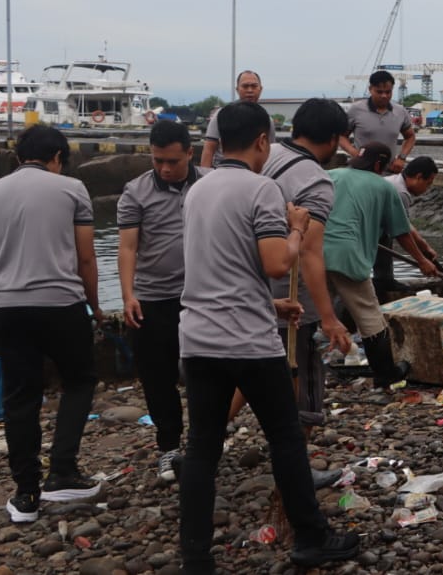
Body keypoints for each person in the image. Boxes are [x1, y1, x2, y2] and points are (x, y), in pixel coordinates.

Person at [178, 101, 358, 572]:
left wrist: (271, 304)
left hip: (197, 337)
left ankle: (195, 556)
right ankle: (311, 538)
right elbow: (277, 263)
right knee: (285, 437)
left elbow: (221, 264)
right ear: (262, 140)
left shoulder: (197, 190)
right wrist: (296, 229)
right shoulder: (262, 190)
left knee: (202, 447)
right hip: (247, 342)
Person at [0, 125, 105, 523]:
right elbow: (86, 257)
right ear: (58, 158)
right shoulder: (72, 189)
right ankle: (63, 471)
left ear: (18, 157)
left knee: (20, 398)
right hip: (62, 305)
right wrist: (95, 306)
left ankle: (26, 495)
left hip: (9, 308)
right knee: (80, 381)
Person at [118, 120, 210, 484]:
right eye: (158, 161)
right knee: (157, 378)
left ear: (190, 153)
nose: (165, 169)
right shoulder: (135, 191)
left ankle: (205, 441)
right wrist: (128, 295)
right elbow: (128, 247)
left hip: (201, 296)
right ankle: (169, 446)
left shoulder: (209, 185)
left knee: (206, 372)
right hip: (153, 298)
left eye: (173, 161)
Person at [259, 99, 354, 424]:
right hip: (291, 300)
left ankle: (205, 442)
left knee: (250, 374)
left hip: (250, 291)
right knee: (303, 380)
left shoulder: (264, 154)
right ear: (333, 138)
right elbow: (310, 252)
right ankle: (298, 449)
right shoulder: (315, 180)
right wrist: (328, 318)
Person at [324, 142, 438, 388]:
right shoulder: (384, 187)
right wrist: (422, 261)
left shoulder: (331, 175)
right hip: (348, 255)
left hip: (315, 252)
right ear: (378, 165)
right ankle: (386, 373)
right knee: (370, 316)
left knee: (314, 311)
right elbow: (401, 231)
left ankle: (301, 362)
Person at [374, 156, 442, 301]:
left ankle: (384, 279)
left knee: (386, 232)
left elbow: (403, 223)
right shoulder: (400, 192)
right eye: (428, 184)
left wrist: (424, 246)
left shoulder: (394, 180)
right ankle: (383, 280)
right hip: (365, 230)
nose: (427, 189)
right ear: (418, 177)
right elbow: (401, 232)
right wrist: (421, 261)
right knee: (387, 233)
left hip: (372, 227)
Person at [339, 69, 416, 174]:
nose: (384, 96)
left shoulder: (400, 111)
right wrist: (354, 152)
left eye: (388, 92)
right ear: (370, 89)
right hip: (361, 172)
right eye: (379, 92)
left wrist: (402, 158)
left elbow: (410, 137)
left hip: (389, 173)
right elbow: (341, 136)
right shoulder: (356, 109)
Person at [199, 70, 274, 168]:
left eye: (254, 86)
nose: (250, 90)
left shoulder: (267, 120)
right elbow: (209, 148)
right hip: (222, 170)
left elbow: (271, 151)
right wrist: (205, 174)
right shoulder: (222, 115)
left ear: (260, 89)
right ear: (237, 89)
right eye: (245, 86)